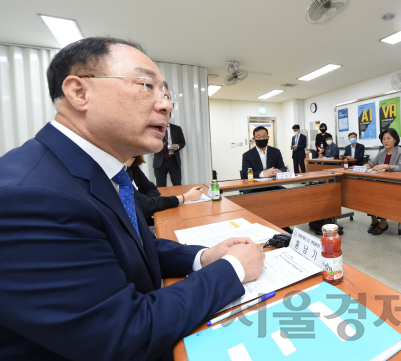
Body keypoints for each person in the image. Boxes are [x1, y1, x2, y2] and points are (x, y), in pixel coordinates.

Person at [0, 37, 265, 360]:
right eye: (145, 85)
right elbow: (122, 334)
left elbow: (134, 246)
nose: (165, 105)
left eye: (165, 93)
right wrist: (232, 269)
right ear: (79, 92)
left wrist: (203, 258)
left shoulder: (101, 171)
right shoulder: (29, 196)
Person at [126, 155, 204, 223]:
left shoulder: (132, 163)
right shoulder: (119, 174)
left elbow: (150, 188)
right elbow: (145, 206)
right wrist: (185, 197)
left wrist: (149, 203)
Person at [364, 128, 401, 235]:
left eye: (389, 138)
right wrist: (367, 165)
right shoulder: (382, 152)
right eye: (384, 139)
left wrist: (386, 166)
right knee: (367, 193)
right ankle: (374, 221)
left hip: (397, 184)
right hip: (381, 182)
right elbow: (373, 163)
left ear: (395, 140)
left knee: (380, 194)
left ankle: (383, 222)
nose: (386, 141)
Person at [153, 118, 185, 186]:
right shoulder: (154, 129)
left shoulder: (177, 128)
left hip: (174, 160)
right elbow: (150, 143)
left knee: (177, 185)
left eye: (166, 114)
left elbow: (182, 142)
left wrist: (178, 146)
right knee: (160, 186)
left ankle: (178, 197)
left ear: (169, 116)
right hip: (160, 161)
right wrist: (159, 144)